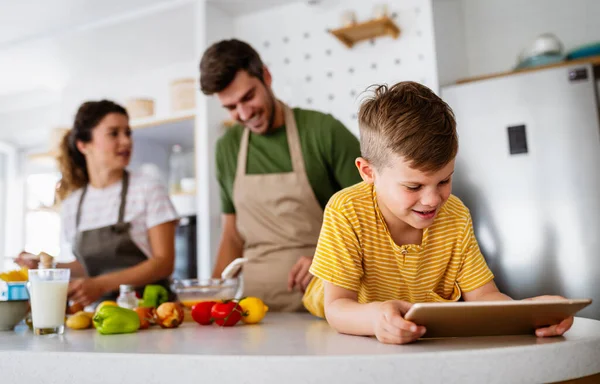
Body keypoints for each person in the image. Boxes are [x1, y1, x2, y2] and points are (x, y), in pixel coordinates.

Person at [302, 82, 573, 344]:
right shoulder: (346, 209)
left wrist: (529, 312)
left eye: (444, 181)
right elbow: (336, 307)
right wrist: (375, 319)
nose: (433, 200)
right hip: (333, 296)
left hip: (410, 307)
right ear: (368, 172)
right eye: (413, 186)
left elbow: (482, 296)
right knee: (318, 291)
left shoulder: (456, 215)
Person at [199, 39, 362, 312]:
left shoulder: (323, 131)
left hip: (327, 305)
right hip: (254, 310)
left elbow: (376, 215)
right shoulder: (227, 148)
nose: (243, 113)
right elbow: (232, 235)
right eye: (230, 107)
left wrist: (326, 258)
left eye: (248, 97)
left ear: (266, 76)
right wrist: (212, 301)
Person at [16, 100, 179, 306]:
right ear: (84, 145)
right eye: (114, 133)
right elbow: (87, 266)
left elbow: (163, 262)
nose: (126, 141)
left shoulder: (148, 188)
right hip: (100, 314)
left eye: (128, 133)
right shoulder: (73, 204)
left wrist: (100, 285)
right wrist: (48, 266)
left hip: (151, 310)